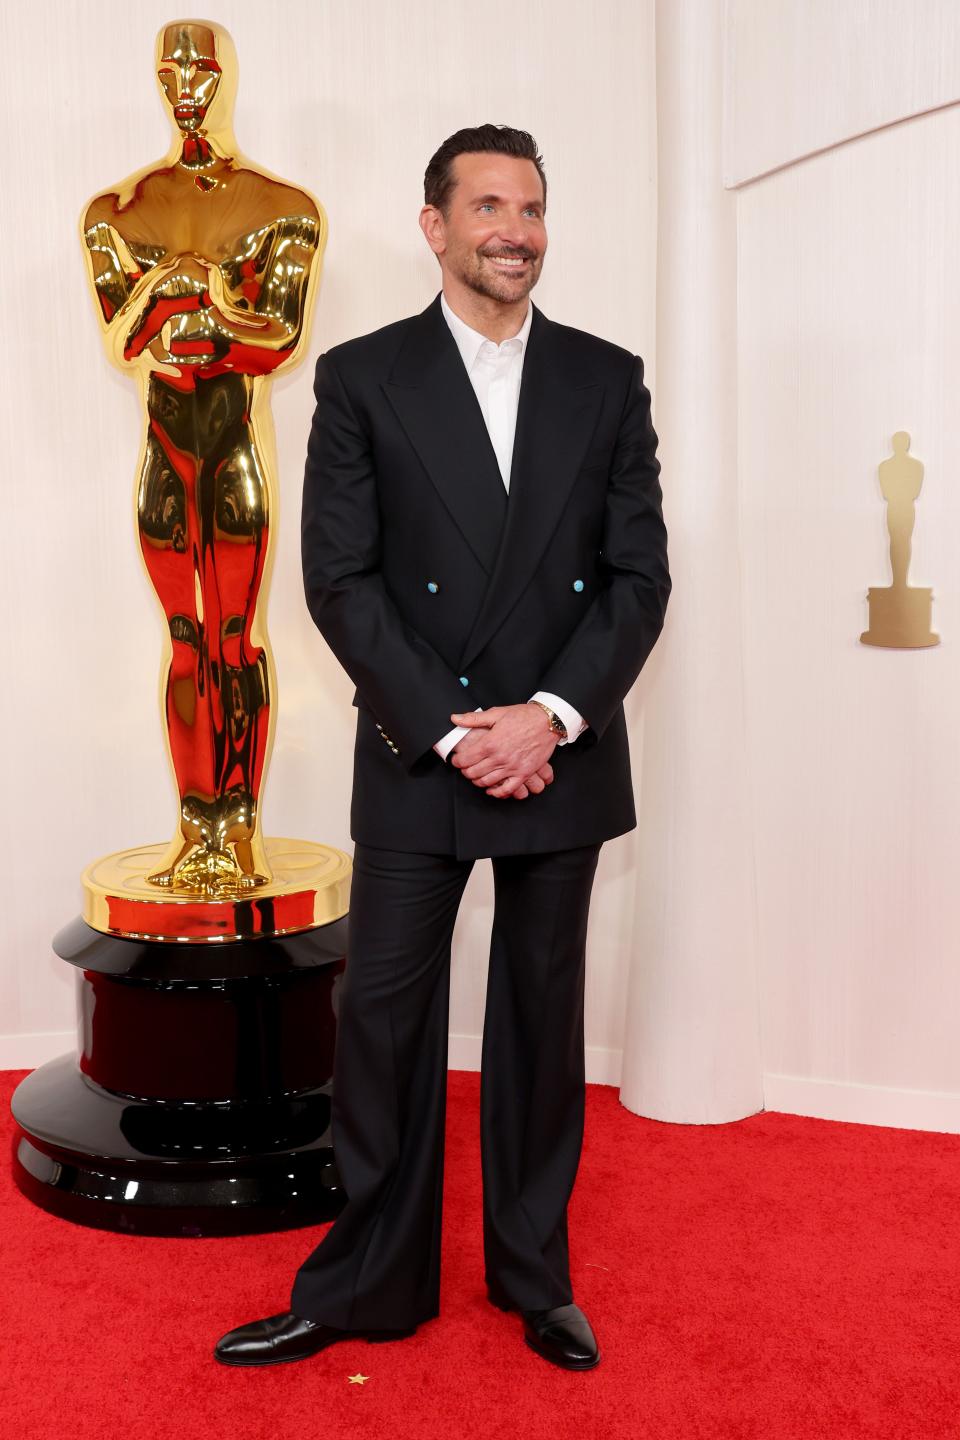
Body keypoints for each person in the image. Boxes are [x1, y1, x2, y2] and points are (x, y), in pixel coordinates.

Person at [215, 123, 670, 1372]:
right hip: (425, 749)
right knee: (388, 1023)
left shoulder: (607, 377)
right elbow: (340, 580)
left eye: (531, 206)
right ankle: (364, 1282)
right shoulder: (363, 378)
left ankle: (536, 1277)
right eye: (488, 207)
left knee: (539, 1022)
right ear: (436, 226)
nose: (514, 229)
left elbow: (637, 581)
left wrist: (552, 719)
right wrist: (456, 730)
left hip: (557, 753)